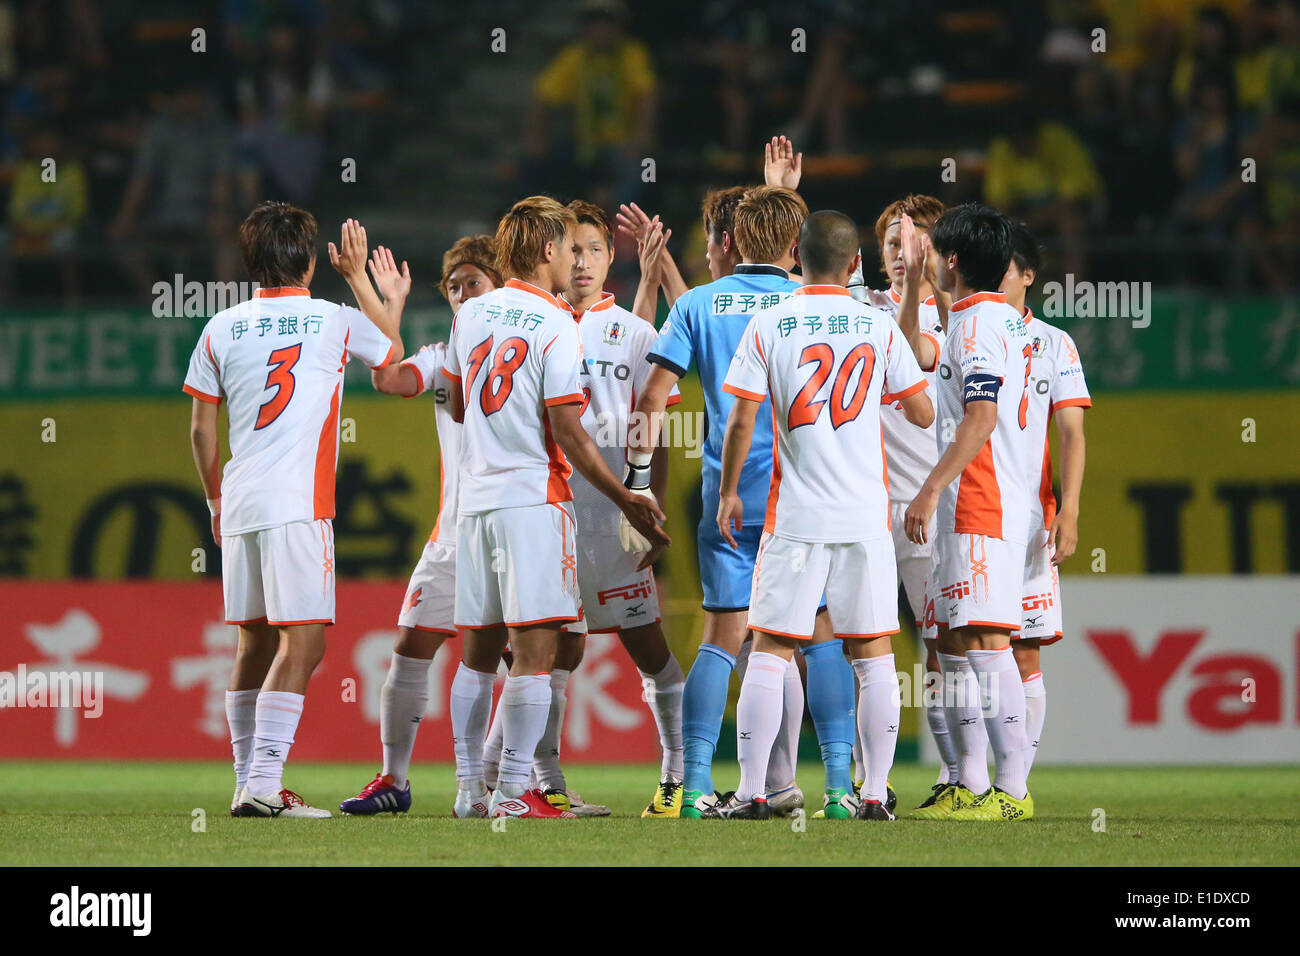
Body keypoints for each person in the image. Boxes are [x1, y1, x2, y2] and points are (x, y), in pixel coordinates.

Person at [626, 185, 858, 819]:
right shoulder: (819, 304)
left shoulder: (700, 303)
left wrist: (640, 481)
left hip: (727, 499)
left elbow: (650, 398)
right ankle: (841, 785)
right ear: (794, 244)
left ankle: (695, 786)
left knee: (721, 637)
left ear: (729, 241)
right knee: (816, 634)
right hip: (806, 496)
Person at [444, 196, 667, 820]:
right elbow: (569, 431)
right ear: (547, 251)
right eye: (569, 247)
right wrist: (626, 494)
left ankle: (469, 790)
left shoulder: (472, 314)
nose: (576, 258)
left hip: (476, 502)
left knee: (478, 651)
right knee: (536, 651)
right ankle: (515, 792)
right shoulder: (555, 324)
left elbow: (459, 406)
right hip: (533, 501)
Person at [710, 211, 932, 820]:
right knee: (875, 654)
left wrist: (730, 491)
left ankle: (755, 791)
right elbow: (920, 413)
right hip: (864, 517)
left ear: (794, 257)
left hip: (796, 515)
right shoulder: (878, 325)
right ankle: (873, 795)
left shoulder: (770, 321)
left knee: (771, 646)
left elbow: (742, 417)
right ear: (856, 262)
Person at [185, 205, 404, 818]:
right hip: (299, 504)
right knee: (303, 644)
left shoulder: (220, 327)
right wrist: (364, 279)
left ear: (250, 261)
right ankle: (263, 782)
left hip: (241, 502)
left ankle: (245, 782)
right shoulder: (333, 320)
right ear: (310, 260)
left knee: (253, 644)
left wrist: (214, 499)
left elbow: (202, 430)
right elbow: (391, 354)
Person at [338, 236, 502, 815]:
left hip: (513, 532)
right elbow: (387, 378)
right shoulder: (440, 358)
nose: (461, 294)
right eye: (453, 286)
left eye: (473, 282)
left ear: (500, 286)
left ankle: (509, 780)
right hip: (453, 538)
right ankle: (394, 779)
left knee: (525, 660)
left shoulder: (529, 345)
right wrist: (384, 299)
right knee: (410, 648)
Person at [903, 202, 1035, 822]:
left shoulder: (979, 326)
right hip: (971, 504)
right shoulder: (983, 316)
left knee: (985, 639)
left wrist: (930, 487)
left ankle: (1010, 792)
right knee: (957, 640)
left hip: (978, 500)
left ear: (953, 261)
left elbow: (980, 418)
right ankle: (974, 783)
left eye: (933, 251)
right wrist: (916, 276)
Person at [1000, 222, 1091, 779]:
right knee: (965, 653)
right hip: (968, 518)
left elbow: (1072, 434)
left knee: (1024, 652)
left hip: (1032, 519)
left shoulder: (1055, 343)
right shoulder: (961, 329)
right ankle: (965, 778)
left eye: (1005, 270)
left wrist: (1070, 509)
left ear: (1029, 277)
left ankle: (1015, 784)